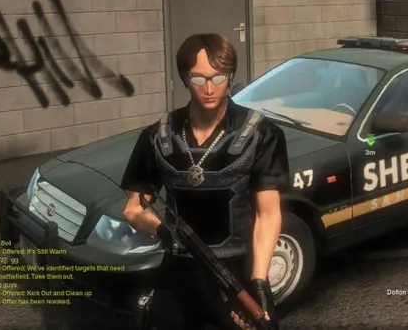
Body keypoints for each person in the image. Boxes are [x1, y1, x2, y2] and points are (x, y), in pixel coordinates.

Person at [120, 33, 289, 330]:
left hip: (237, 269)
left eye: (218, 78)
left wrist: (259, 282)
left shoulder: (262, 135)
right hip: (179, 270)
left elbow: (268, 214)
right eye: (198, 79)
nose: (209, 89)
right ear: (185, 79)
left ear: (230, 76)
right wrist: (161, 230)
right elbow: (134, 208)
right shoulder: (157, 136)